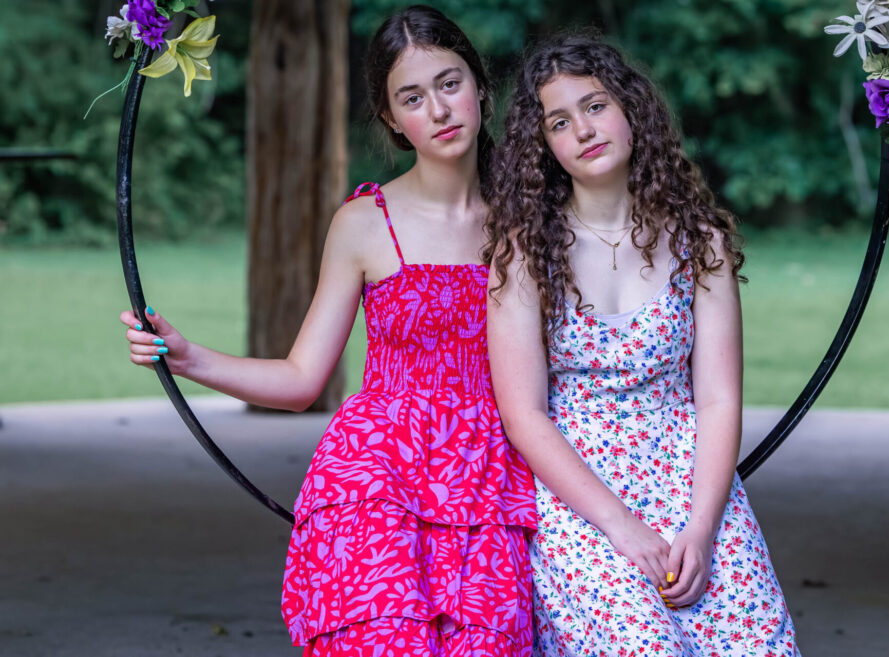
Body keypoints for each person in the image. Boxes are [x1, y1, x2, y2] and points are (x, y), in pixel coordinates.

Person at [120, 6, 537, 656]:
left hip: (490, 479)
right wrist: (188, 354)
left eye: (449, 83)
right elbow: (300, 377)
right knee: (384, 638)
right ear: (393, 120)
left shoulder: (529, 216)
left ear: (480, 86)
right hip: (376, 475)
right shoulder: (365, 222)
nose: (439, 108)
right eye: (412, 97)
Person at [485, 34, 800, 656]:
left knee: (752, 640)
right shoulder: (522, 253)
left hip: (691, 483)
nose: (582, 129)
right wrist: (622, 529)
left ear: (631, 110)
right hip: (582, 494)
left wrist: (705, 528)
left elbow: (717, 399)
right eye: (559, 121)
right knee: (642, 643)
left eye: (596, 105)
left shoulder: (699, 240)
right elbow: (524, 416)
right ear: (545, 146)